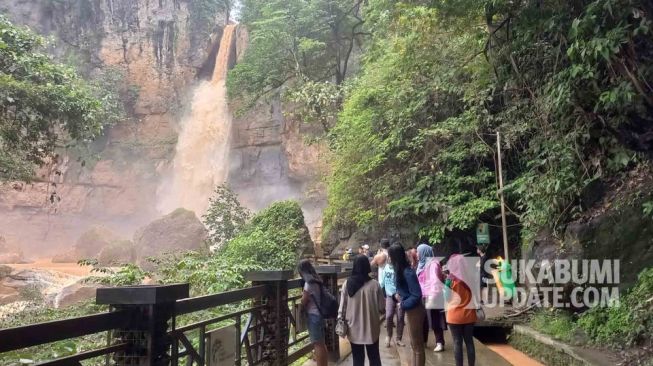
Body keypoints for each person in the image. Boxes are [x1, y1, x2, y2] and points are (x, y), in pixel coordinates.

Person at [338, 255, 385, 366]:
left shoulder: (347, 284)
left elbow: (342, 307)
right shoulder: (375, 285)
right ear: (367, 267)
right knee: (374, 357)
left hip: (353, 329)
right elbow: (382, 308)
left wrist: (340, 319)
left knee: (357, 359)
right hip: (371, 329)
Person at [388, 243, 425, 366]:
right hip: (410, 309)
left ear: (395, 257)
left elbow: (416, 294)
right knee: (414, 345)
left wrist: (403, 304)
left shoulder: (407, 272)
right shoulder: (401, 270)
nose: (389, 259)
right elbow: (405, 291)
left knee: (417, 346)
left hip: (415, 310)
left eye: (390, 256)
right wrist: (395, 296)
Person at [443, 254, 478, 366]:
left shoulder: (450, 280)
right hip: (469, 315)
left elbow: (447, 298)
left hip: (454, 317)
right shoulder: (471, 277)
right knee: (469, 342)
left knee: (457, 342)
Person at [416, 243, 447, 352]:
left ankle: (440, 342)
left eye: (418, 252)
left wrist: (432, 296)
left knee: (435, 319)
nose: (417, 254)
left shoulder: (433, 264)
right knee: (423, 320)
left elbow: (435, 280)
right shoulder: (421, 264)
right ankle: (424, 342)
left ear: (424, 252)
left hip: (433, 295)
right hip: (423, 295)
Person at [298, 260, 328, 366]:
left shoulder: (308, 283)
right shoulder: (317, 280)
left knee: (317, 345)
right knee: (322, 344)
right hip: (319, 315)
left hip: (313, 316)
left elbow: (304, 300)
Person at [379, 253, 406, 347]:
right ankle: (388, 336)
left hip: (399, 296)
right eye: (389, 257)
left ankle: (399, 338)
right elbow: (381, 283)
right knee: (389, 316)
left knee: (400, 317)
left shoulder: (399, 268)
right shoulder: (384, 268)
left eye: (391, 257)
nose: (390, 259)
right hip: (389, 296)